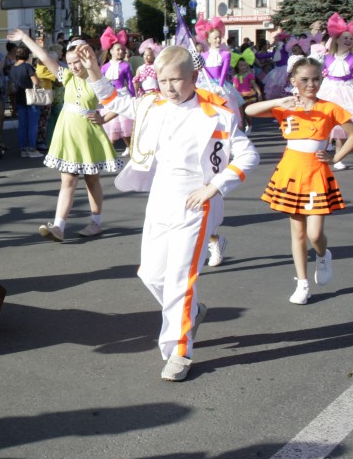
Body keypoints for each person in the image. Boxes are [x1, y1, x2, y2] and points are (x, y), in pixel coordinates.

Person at [81, 44, 259, 382]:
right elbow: (115, 100)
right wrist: (93, 70)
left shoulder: (217, 114)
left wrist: (213, 187)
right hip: (161, 198)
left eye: (176, 80)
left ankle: (180, 350)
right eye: (163, 81)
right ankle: (191, 311)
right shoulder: (153, 105)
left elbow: (249, 155)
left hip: (196, 202)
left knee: (180, 279)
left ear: (193, 76)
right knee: (150, 274)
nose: (169, 87)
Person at [245, 57, 353, 304]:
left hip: (317, 174)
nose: (311, 84)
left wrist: (335, 156)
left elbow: (352, 134)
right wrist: (279, 101)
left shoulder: (329, 108)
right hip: (291, 173)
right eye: (304, 79)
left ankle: (323, 255)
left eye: (316, 79)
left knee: (315, 234)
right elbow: (249, 110)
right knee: (298, 232)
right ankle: (302, 283)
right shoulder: (287, 106)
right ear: (293, 81)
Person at [7, 30, 123, 241]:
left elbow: (121, 101)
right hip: (68, 134)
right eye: (70, 63)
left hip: (88, 135)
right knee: (67, 181)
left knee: (92, 180)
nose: (74, 66)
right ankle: (59, 227)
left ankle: (95, 223)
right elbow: (43, 57)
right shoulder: (67, 76)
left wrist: (104, 118)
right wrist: (24, 38)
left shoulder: (97, 80)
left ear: (86, 59)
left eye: (77, 62)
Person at [316, 13, 353, 171]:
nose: (348, 40)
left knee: (343, 126)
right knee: (324, 124)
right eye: (345, 38)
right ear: (336, 40)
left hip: (347, 92)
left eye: (350, 38)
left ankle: (338, 157)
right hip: (329, 91)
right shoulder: (327, 58)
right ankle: (318, 155)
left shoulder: (352, 58)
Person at [99, 27, 135, 156]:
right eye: (118, 49)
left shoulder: (126, 66)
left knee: (124, 126)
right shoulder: (104, 67)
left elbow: (130, 82)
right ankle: (108, 151)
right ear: (111, 51)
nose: (121, 51)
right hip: (110, 96)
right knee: (112, 126)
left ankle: (129, 148)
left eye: (122, 49)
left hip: (123, 95)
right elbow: (101, 83)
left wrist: (133, 97)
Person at [7, 46, 43, 158]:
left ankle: (23, 148)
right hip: (31, 98)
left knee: (22, 125)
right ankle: (32, 148)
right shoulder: (28, 67)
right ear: (27, 55)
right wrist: (41, 82)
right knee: (33, 125)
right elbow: (36, 82)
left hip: (19, 97)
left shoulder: (13, 68)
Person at [232, 57, 262, 135]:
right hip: (239, 95)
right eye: (241, 65)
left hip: (248, 95)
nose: (243, 67)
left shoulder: (249, 75)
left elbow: (254, 84)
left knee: (247, 112)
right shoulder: (235, 76)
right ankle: (241, 129)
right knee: (240, 113)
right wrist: (233, 95)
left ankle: (249, 125)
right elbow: (234, 87)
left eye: (245, 65)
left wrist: (259, 93)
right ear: (238, 66)